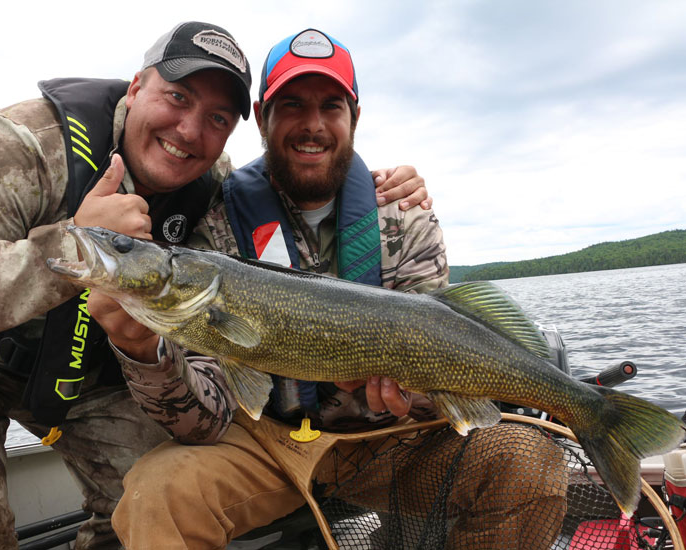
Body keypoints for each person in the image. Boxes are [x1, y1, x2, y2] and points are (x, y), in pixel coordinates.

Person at [0, 22, 428, 550]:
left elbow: (304, 187)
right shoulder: (22, 144)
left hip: (92, 374)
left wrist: (394, 183)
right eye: (177, 96)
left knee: (145, 499)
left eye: (217, 118)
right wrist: (65, 249)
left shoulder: (215, 188)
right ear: (136, 86)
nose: (189, 130)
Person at [94, 29, 568, 549]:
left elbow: (444, 374)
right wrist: (141, 349)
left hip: (393, 443)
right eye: (292, 104)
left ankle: (590, 411)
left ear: (354, 117)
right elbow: (203, 421)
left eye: (331, 106)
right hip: (269, 443)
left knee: (529, 465)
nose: (313, 125)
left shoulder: (404, 217)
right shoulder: (213, 227)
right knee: (156, 493)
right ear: (263, 117)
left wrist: (410, 399)